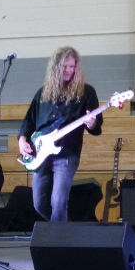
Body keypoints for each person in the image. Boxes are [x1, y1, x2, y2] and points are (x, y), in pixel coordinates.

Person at [18, 47, 103, 222]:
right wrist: (22, 140)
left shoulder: (86, 93)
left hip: (66, 155)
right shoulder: (42, 93)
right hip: (40, 154)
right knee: (39, 204)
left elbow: (96, 126)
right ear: (55, 67)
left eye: (72, 66)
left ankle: (59, 236)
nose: (68, 70)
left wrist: (92, 123)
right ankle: (65, 230)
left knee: (58, 202)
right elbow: (28, 121)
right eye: (64, 66)